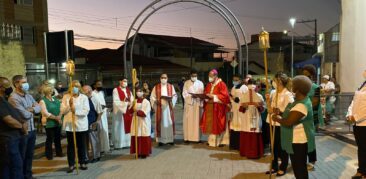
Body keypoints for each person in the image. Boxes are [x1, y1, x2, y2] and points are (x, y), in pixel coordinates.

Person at [272, 75, 316, 179]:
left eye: (293, 85)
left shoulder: (302, 105)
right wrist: (281, 112)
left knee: (299, 168)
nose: (291, 87)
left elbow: (289, 122)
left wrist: (276, 118)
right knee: (297, 168)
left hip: (300, 141)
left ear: (298, 89)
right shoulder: (298, 101)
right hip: (295, 140)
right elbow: (291, 115)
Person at [8, 75, 41, 179]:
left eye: (26, 82)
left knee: (30, 155)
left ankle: (28, 175)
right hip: (23, 131)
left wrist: (31, 109)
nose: (26, 84)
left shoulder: (28, 95)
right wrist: (32, 110)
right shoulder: (13, 98)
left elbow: (39, 108)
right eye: (23, 82)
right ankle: (21, 176)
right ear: (16, 84)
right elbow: (24, 115)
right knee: (21, 156)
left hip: (32, 129)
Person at [265, 72, 292, 176]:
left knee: (282, 147)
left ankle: (283, 167)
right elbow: (270, 110)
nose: (273, 82)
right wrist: (268, 100)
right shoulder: (274, 92)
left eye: (275, 81)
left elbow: (289, 111)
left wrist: (280, 112)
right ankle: (274, 166)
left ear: (279, 81)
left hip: (281, 124)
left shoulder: (287, 94)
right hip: (271, 122)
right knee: (273, 146)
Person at [61, 80, 89, 173]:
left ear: (79, 88)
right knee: (71, 146)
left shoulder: (84, 97)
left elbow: (86, 111)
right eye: (73, 86)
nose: (74, 88)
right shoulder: (66, 97)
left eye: (76, 86)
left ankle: (82, 162)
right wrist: (69, 105)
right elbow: (62, 111)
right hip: (70, 125)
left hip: (81, 124)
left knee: (81, 145)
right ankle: (71, 164)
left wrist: (75, 111)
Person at [0, 77, 25, 179]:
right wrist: (21, 126)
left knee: (9, 167)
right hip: (8, 139)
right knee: (15, 166)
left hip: (13, 138)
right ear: (1, 87)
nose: (9, 87)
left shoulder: (4, 99)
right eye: (7, 85)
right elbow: (8, 119)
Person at [200, 69, 230, 147]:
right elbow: (206, 93)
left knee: (218, 124)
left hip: (218, 108)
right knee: (210, 124)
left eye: (211, 76)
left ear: (216, 76)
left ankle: (220, 141)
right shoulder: (209, 84)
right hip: (210, 107)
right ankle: (211, 141)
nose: (209, 77)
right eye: (209, 76)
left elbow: (225, 96)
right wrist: (205, 97)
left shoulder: (221, 84)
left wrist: (213, 96)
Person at [302, 64, 323, 170]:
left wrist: (303, 107)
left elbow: (315, 103)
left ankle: (312, 161)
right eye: (303, 73)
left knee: (310, 139)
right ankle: (303, 160)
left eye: (306, 74)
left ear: (311, 75)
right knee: (303, 139)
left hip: (311, 116)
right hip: (301, 116)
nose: (304, 75)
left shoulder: (316, 87)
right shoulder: (301, 87)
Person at [346, 69, 366, 179]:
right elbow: (353, 101)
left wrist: (356, 117)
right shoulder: (362, 84)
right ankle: (361, 170)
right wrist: (349, 114)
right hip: (357, 124)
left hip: (364, 123)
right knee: (361, 148)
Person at [239, 79, 265, 158]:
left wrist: (258, 106)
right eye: (250, 85)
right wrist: (244, 106)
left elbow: (263, 109)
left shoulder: (259, 96)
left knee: (255, 133)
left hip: (256, 117)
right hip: (246, 118)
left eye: (253, 85)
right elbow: (241, 109)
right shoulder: (243, 95)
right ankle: (246, 152)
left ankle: (255, 153)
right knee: (247, 132)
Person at [150, 73, 178, 146]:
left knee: (169, 122)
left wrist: (171, 100)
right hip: (160, 108)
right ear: (160, 78)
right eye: (162, 77)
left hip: (168, 108)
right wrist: (155, 101)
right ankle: (161, 140)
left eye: (165, 77)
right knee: (161, 123)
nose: (163, 79)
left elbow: (175, 95)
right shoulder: (156, 87)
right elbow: (152, 97)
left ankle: (170, 139)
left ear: (167, 78)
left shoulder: (171, 87)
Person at [39, 85, 63, 160]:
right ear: (49, 91)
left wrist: (59, 116)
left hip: (57, 121)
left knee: (58, 138)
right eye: (52, 90)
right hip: (49, 122)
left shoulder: (55, 99)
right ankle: (49, 154)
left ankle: (59, 152)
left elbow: (61, 108)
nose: (53, 91)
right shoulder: (42, 101)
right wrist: (56, 118)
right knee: (50, 139)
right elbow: (45, 113)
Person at [182, 70, 204, 143]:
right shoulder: (186, 83)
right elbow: (184, 93)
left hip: (197, 104)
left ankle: (197, 138)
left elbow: (202, 93)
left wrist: (198, 96)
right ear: (190, 76)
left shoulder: (200, 83)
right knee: (188, 121)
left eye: (195, 76)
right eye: (193, 76)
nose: (194, 77)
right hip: (189, 105)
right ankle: (187, 138)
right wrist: (191, 96)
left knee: (197, 121)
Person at [130, 87, 152, 158]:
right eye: (137, 91)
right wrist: (132, 108)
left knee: (143, 135)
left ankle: (144, 152)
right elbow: (130, 111)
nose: (138, 92)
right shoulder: (134, 101)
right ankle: (138, 152)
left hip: (143, 121)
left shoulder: (146, 102)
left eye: (140, 91)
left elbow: (144, 113)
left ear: (143, 92)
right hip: (136, 121)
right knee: (137, 135)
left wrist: (136, 111)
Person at [112, 77, 134, 149]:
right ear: (120, 81)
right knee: (120, 127)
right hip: (120, 113)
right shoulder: (116, 90)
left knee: (128, 126)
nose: (125, 83)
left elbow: (132, 99)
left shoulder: (128, 91)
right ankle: (119, 144)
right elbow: (116, 102)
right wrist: (125, 104)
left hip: (128, 111)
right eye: (124, 81)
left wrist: (131, 103)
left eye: (126, 81)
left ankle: (127, 143)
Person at [83, 85, 103, 163]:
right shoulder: (82, 99)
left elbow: (100, 112)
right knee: (84, 141)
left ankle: (96, 156)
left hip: (92, 122)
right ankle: (86, 157)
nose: (86, 91)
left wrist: (96, 122)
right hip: (83, 124)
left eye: (88, 90)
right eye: (84, 90)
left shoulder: (95, 99)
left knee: (94, 140)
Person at [229, 74, 248, 150]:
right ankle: (234, 145)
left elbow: (246, 98)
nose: (234, 81)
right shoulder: (233, 87)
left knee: (241, 127)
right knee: (234, 127)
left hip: (241, 110)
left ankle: (241, 146)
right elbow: (232, 98)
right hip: (234, 110)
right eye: (234, 80)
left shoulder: (244, 88)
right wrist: (231, 99)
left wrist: (237, 99)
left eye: (236, 80)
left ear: (241, 80)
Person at [92, 80, 110, 153]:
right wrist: (101, 107)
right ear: (95, 86)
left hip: (104, 113)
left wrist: (105, 107)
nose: (100, 86)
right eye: (98, 84)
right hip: (98, 114)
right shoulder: (93, 93)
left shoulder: (101, 93)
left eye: (101, 84)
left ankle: (105, 147)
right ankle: (99, 149)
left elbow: (103, 102)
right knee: (99, 132)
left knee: (104, 130)